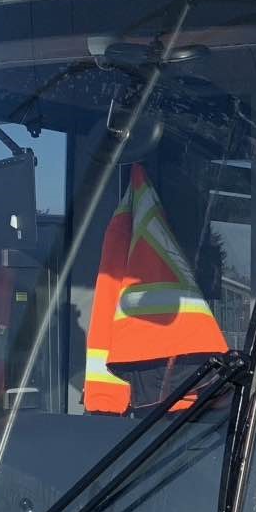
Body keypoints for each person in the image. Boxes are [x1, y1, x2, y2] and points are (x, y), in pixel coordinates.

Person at [84, 163, 229, 413]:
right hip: (173, 396)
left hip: (153, 396)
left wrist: (104, 403)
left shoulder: (133, 223)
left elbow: (106, 305)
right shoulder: (137, 225)